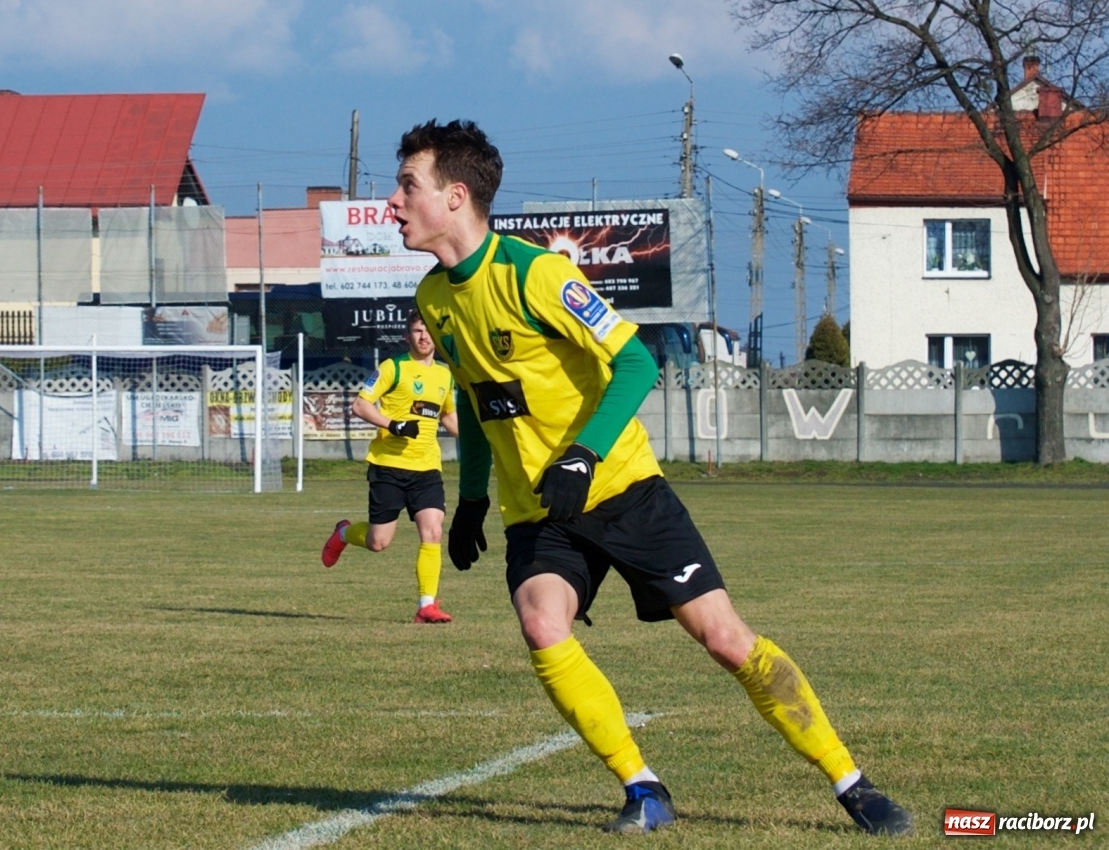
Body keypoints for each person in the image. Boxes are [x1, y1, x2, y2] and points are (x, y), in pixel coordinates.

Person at [387, 119, 912, 836]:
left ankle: (852, 782)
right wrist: (474, 495)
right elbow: (481, 403)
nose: (392, 201)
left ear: (453, 196)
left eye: (406, 184)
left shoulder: (536, 274)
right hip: (540, 511)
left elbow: (636, 361)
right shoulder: (435, 300)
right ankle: (642, 787)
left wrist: (585, 452)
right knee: (543, 623)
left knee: (726, 639)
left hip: (626, 488)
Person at [321, 312, 461, 623]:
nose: (424, 337)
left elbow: (449, 418)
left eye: (428, 332)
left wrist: (487, 434)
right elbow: (361, 405)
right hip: (389, 468)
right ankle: (344, 533)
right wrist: (393, 424)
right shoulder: (392, 367)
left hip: (427, 469)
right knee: (378, 542)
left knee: (433, 531)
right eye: (417, 331)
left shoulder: (444, 374)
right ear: (407, 336)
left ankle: (427, 606)